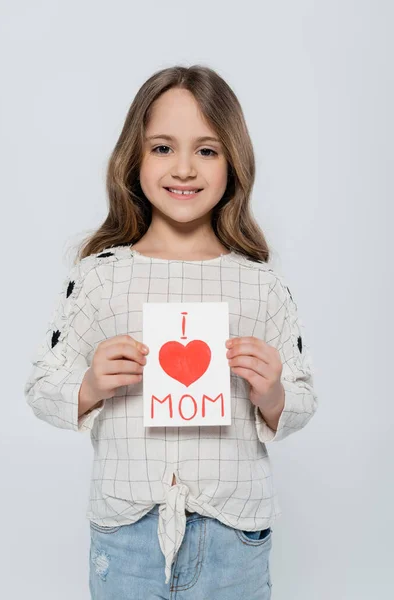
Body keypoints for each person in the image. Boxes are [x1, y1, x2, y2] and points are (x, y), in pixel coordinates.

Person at [24, 64, 318, 599]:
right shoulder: (100, 277)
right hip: (127, 535)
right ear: (132, 158)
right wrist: (90, 385)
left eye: (206, 150)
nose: (184, 168)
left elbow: (302, 398)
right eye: (162, 147)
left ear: (234, 162)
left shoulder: (261, 285)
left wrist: (272, 392)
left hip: (235, 536)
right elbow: (42, 385)